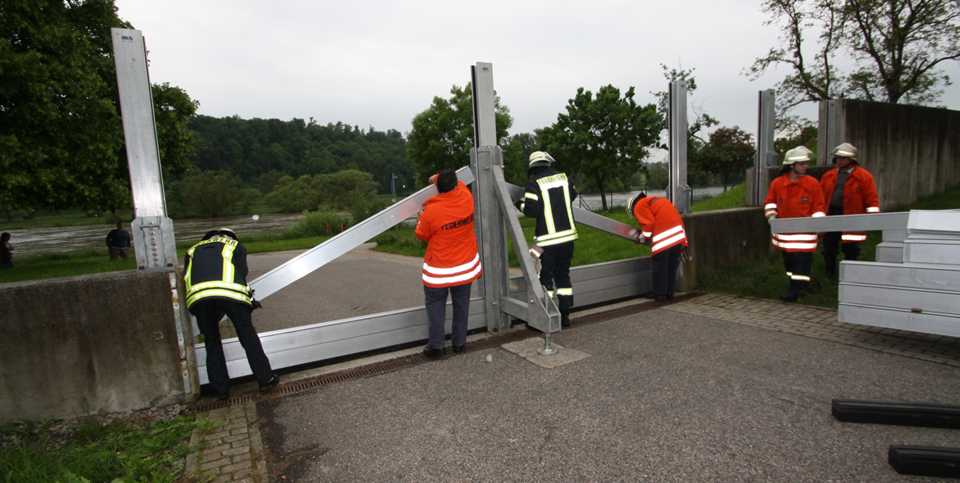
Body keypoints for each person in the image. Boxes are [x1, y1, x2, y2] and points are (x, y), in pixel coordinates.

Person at [184, 227, 279, 400]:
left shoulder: (192, 249)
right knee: (247, 335)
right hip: (230, 295)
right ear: (229, 236)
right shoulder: (235, 245)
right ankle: (266, 379)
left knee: (211, 342)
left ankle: (220, 390)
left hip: (198, 298)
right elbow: (240, 275)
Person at [415, 169, 482, 357]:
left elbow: (422, 234)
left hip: (439, 271)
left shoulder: (432, 211)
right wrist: (436, 178)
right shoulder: (466, 196)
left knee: (435, 306)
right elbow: (446, 180)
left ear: (437, 187)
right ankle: (459, 343)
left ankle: (437, 346)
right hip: (465, 268)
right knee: (462, 305)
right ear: (455, 183)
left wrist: (421, 216)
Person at [514, 151, 578, 327]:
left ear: (533, 168)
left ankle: (548, 316)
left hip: (548, 242)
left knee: (545, 278)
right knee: (563, 277)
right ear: (547, 164)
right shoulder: (564, 178)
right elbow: (572, 196)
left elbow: (532, 210)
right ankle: (565, 316)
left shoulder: (533, 183)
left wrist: (517, 203)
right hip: (568, 238)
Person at [764, 146, 826, 302]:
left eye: (805, 163)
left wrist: (818, 226)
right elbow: (770, 202)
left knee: (802, 265)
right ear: (792, 165)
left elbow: (819, 207)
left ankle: (798, 291)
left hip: (805, 236)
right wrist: (771, 216)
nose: (805, 166)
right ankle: (795, 287)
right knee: (790, 265)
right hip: (785, 236)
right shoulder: (778, 184)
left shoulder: (812, 184)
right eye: (801, 164)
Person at [819, 143, 880, 277]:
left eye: (842, 158)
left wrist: (873, 217)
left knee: (850, 245)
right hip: (832, 214)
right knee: (829, 244)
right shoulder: (828, 176)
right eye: (837, 158)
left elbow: (871, 198)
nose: (838, 161)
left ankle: (850, 272)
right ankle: (830, 271)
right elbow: (820, 196)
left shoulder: (864, 176)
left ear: (851, 160)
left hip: (852, 215)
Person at [626, 193, 689, 301]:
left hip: (664, 237)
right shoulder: (656, 199)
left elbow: (648, 224)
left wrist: (642, 237)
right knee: (671, 266)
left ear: (632, 207)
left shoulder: (639, 205)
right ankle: (669, 292)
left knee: (660, 265)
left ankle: (659, 293)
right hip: (678, 236)